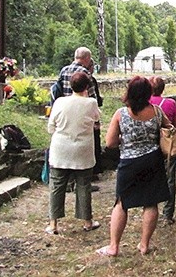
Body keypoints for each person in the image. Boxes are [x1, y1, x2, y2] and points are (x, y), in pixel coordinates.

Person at [97, 76, 171, 257]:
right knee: (150, 203)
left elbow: (110, 143)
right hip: (153, 160)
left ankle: (114, 246)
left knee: (121, 203)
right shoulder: (157, 111)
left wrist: (126, 139)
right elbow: (169, 128)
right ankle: (144, 245)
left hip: (129, 162)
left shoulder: (121, 114)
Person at [46, 72, 101, 235]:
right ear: (87, 87)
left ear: (70, 85)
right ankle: (87, 221)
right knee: (84, 185)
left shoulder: (59, 102)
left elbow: (51, 126)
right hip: (82, 150)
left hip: (60, 148)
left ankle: (53, 223)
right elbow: (97, 121)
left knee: (56, 185)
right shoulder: (91, 103)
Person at [150, 76, 176, 225]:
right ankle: (168, 213)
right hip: (167, 146)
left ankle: (150, 209)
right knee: (170, 178)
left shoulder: (145, 104)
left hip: (150, 147)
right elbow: (175, 125)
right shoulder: (170, 103)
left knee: (151, 178)